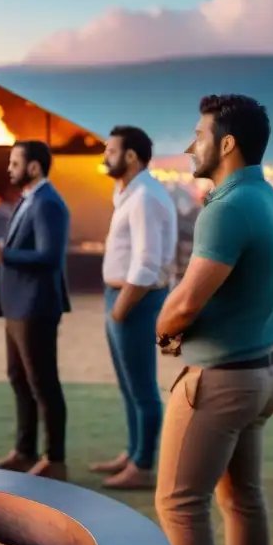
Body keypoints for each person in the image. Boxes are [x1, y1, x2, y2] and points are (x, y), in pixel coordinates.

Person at [153, 95, 273, 545]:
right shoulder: (271, 198)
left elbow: (186, 302)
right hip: (262, 375)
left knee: (180, 503)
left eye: (198, 133)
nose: (191, 144)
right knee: (242, 498)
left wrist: (162, 329)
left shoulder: (226, 206)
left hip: (220, 381)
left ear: (226, 143)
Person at [0, 140, 71, 482]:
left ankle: (55, 460)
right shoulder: (29, 200)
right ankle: (25, 451)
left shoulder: (48, 203)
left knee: (43, 383)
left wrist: (2, 254)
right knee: (20, 379)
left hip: (36, 307)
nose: (9, 169)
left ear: (34, 167)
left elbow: (50, 258)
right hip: (17, 306)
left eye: (15, 163)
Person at [92, 126, 177, 490]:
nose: (104, 156)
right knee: (128, 385)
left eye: (111, 150)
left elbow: (147, 262)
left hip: (138, 298)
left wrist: (121, 308)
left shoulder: (145, 196)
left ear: (130, 156)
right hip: (122, 295)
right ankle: (132, 452)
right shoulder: (127, 191)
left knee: (142, 387)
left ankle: (143, 465)